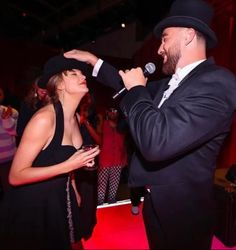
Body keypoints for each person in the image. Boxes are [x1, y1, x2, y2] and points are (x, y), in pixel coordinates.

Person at [64, 0, 236, 249]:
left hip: (186, 215)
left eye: (165, 38)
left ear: (188, 35)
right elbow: (127, 86)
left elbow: (157, 141)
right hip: (156, 203)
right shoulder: (169, 84)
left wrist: (136, 90)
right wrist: (94, 62)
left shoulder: (218, 83)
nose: (159, 49)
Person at [0, 55, 100, 250]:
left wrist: (73, 187)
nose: (82, 76)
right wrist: (68, 166)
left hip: (60, 196)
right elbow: (15, 176)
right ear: (60, 86)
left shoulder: (75, 117)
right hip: (33, 204)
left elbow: (67, 159)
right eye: (73, 73)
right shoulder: (44, 119)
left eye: (82, 72)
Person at [74, 92, 102, 241]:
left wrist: (86, 123)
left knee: (89, 193)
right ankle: (78, 225)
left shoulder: (97, 117)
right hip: (75, 158)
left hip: (90, 158)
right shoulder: (73, 116)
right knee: (76, 193)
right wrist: (79, 120)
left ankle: (88, 225)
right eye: (84, 97)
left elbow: (99, 139)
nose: (86, 100)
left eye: (89, 97)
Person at [97, 107, 128, 205]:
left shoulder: (121, 126)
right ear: (107, 112)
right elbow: (98, 139)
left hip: (118, 160)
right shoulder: (102, 124)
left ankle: (112, 206)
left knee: (113, 190)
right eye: (111, 111)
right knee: (101, 189)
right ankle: (99, 208)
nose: (113, 113)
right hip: (104, 160)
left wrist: (125, 159)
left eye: (115, 111)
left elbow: (123, 145)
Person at [0, 87, 18, 194]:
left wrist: (6, 119)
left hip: (7, 158)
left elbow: (16, 132)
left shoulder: (10, 112)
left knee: (10, 191)